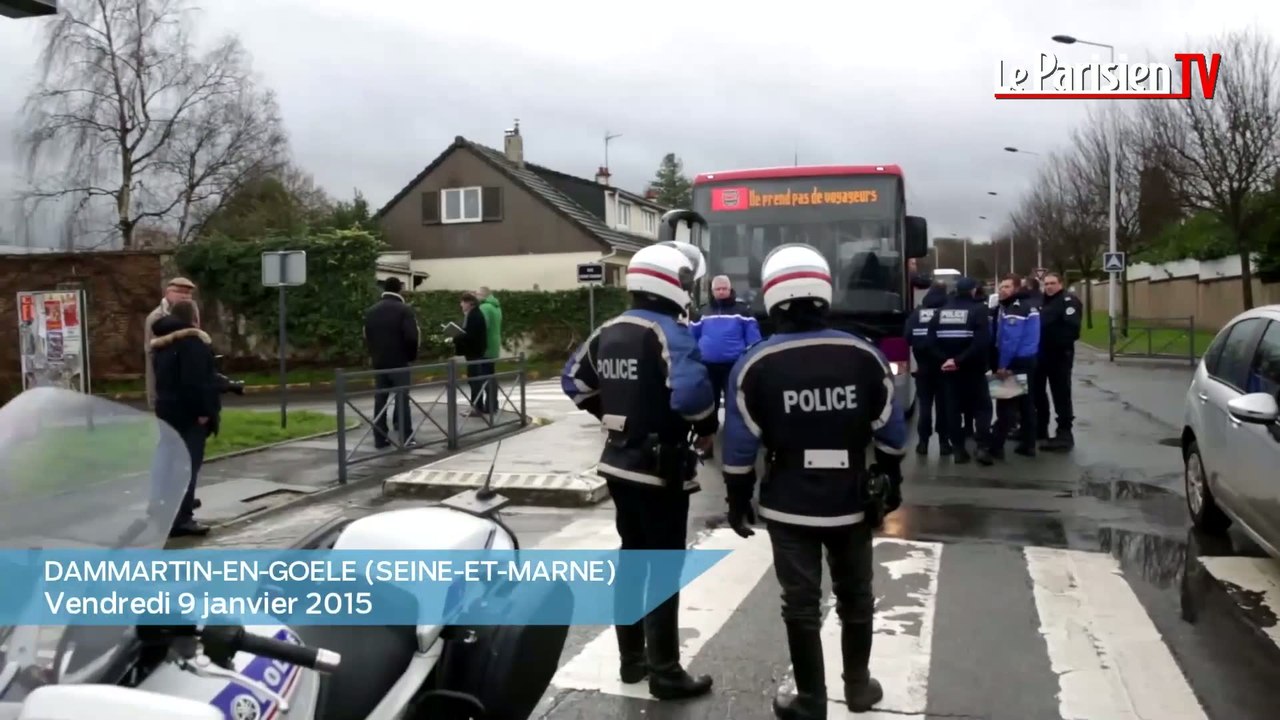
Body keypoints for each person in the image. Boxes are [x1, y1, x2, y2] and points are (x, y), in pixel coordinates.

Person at [720, 243, 908, 718]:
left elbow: (740, 446)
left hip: (788, 501)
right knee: (856, 597)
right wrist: (891, 478)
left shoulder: (755, 363)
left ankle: (810, 700)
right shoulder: (863, 355)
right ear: (824, 292)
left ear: (772, 297)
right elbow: (891, 429)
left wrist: (737, 498)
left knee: (800, 604)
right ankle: (859, 689)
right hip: (850, 498)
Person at [560, 210, 719, 702]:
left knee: (631, 559)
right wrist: (707, 430)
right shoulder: (668, 331)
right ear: (673, 284)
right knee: (665, 567)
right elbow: (692, 398)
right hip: (660, 467)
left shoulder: (610, 328)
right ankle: (667, 670)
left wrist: (613, 416)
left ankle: (631, 662)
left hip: (618, 464)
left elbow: (573, 381)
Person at [149, 300, 219, 537]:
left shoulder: (163, 344)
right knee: (186, 467)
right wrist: (203, 412)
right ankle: (182, 519)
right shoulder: (192, 343)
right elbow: (195, 382)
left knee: (168, 464)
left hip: (167, 411)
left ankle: (164, 511)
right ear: (194, 318)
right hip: (189, 416)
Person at [690, 274, 761, 458]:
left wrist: (752, 359)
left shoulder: (742, 311)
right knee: (708, 405)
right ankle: (707, 444)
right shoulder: (702, 311)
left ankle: (734, 442)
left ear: (730, 289)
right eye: (718, 289)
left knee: (734, 404)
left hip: (734, 366)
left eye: (724, 289)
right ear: (712, 291)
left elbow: (753, 338)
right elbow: (691, 337)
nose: (721, 292)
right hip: (708, 366)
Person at [930, 277, 994, 466]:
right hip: (973, 369)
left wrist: (947, 360)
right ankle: (982, 447)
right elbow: (981, 342)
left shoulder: (940, 312)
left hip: (949, 371)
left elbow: (930, 341)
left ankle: (958, 450)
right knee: (982, 408)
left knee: (953, 410)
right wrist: (960, 360)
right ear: (974, 291)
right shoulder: (979, 310)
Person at [363, 278, 420, 447]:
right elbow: (411, 337)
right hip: (399, 361)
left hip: (380, 362)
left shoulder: (371, 311)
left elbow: (367, 336)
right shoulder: (404, 310)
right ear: (400, 290)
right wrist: (410, 356)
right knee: (402, 400)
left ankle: (380, 438)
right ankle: (405, 436)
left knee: (380, 400)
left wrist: (374, 355)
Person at [990, 274, 1040, 459]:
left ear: (1017, 289)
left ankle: (996, 446)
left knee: (1006, 405)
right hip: (1028, 360)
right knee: (1027, 405)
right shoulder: (1030, 305)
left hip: (1015, 362)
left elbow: (1010, 340)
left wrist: (1003, 365)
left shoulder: (1015, 308)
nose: (1002, 290)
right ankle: (1029, 444)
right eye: (1001, 286)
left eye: (1007, 287)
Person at [1033, 272, 1081, 451]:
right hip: (1040, 355)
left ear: (1061, 283)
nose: (1049, 287)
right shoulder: (1042, 302)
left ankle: (1064, 433)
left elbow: (1072, 329)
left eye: (1052, 283)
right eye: (1046, 284)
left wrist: (1056, 342)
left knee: (1061, 393)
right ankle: (1040, 428)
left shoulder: (1068, 301)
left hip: (1059, 355)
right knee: (1037, 392)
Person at [906, 281, 950, 456]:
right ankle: (944, 443)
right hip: (944, 366)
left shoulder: (917, 314)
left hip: (923, 367)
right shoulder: (948, 313)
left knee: (924, 406)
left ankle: (923, 443)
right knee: (943, 406)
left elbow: (907, 337)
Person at [144, 277, 197, 410]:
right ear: (167, 293)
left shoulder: (191, 313)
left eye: (188, 293)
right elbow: (152, 351)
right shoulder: (157, 317)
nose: (185, 296)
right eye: (180, 292)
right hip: (166, 382)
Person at [455, 292, 490, 417]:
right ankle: (476, 406)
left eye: (463, 302)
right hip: (475, 352)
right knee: (474, 379)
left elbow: (470, 336)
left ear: (470, 303)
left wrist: (457, 336)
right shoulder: (474, 314)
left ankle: (476, 407)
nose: (461, 305)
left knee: (474, 380)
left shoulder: (474, 316)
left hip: (474, 352)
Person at [475, 286, 503, 415]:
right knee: (491, 376)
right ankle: (493, 405)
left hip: (484, 347)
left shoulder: (484, 307)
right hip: (494, 346)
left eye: (477, 294)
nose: (476, 297)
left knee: (484, 378)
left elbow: (482, 327)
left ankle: (488, 406)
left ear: (483, 295)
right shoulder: (496, 307)